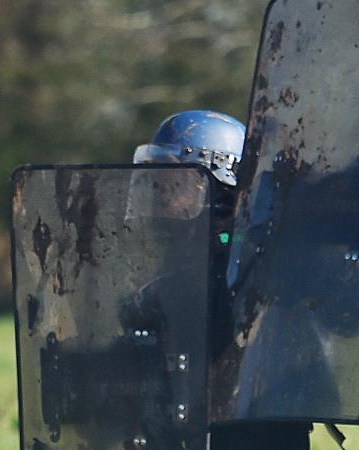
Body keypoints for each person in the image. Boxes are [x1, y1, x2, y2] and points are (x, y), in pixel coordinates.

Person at [132, 110, 312, 450]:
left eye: (172, 186)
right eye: (153, 184)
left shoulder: (262, 291)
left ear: (223, 197)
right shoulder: (156, 291)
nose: (159, 201)